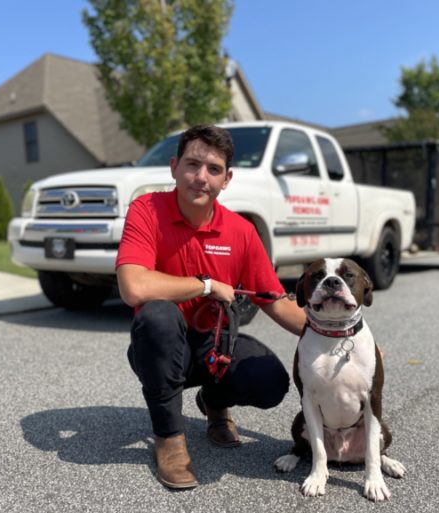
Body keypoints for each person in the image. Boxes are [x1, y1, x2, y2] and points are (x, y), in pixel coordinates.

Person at [116, 124, 306, 490]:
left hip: (212, 347)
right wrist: (204, 285)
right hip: (159, 348)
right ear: (174, 167)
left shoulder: (241, 232)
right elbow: (133, 287)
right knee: (157, 316)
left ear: (227, 179)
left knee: (270, 382)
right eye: (192, 165)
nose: (201, 177)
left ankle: (214, 403)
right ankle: (170, 438)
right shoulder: (146, 210)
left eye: (213, 169)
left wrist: (345, 334)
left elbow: (277, 303)